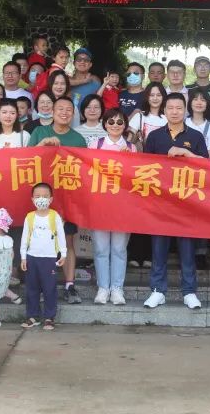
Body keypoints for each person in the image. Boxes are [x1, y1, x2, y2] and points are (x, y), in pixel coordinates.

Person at [141, 93, 209, 310]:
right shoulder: (154, 137)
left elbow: (208, 167)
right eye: (170, 108)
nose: (175, 112)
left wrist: (187, 153)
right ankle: (157, 291)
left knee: (187, 251)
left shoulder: (195, 136)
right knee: (158, 250)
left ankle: (189, 292)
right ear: (164, 110)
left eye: (179, 108)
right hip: (160, 203)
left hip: (187, 203)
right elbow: (145, 167)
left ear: (186, 110)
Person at [29, 97, 86, 303]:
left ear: (73, 114)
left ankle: (70, 285)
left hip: (67, 198)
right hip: (41, 197)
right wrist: (42, 145)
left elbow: (83, 171)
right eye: (60, 109)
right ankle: (41, 286)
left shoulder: (78, 139)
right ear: (52, 112)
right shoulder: (39, 132)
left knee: (67, 241)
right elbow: (26, 160)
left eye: (69, 110)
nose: (64, 113)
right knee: (40, 241)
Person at [89, 110, 135, 305]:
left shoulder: (131, 147)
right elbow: (88, 172)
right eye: (111, 121)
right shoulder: (95, 144)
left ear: (125, 125)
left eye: (119, 122)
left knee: (119, 248)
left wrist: (129, 160)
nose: (115, 125)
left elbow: (135, 178)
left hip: (122, 206)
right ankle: (103, 287)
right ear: (105, 124)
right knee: (100, 248)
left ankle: (117, 288)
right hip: (100, 204)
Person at [20, 182, 67, 330]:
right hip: (32, 257)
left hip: (49, 258)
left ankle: (49, 317)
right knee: (32, 288)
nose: (41, 199)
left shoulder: (54, 216)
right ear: (32, 199)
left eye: (45, 196)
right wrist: (23, 257)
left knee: (49, 288)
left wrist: (63, 253)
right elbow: (24, 238)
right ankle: (32, 316)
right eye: (38, 196)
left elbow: (61, 235)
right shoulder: (29, 217)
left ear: (51, 199)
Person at [128, 82, 168, 149]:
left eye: (159, 95)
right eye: (152, 95)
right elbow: (129, 141)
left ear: (163, 97)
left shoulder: (169, 118)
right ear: (147, 97)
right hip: (143, 155)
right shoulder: (139, 116)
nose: (155, 98)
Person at [185, 89, 210, 158]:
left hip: (203, 163)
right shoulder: (183, 122)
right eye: (195, 99)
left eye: (203, 100)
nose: (199, 103)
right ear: (190, 103)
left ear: (207, 104)